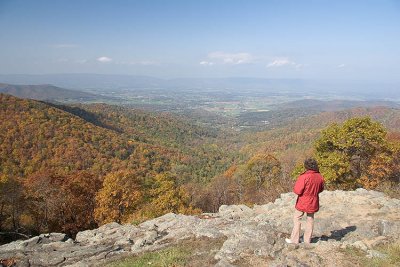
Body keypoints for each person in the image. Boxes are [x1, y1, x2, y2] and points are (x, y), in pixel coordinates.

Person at [286, 158, 325, 244]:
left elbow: (297, 190)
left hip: (303, 201)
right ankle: (307, 240)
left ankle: (294, 240)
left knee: (297, 218)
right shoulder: (319, 176)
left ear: (306, 166)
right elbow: (321, 189)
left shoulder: (304, 176)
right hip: (314, 201)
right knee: (310, 219)